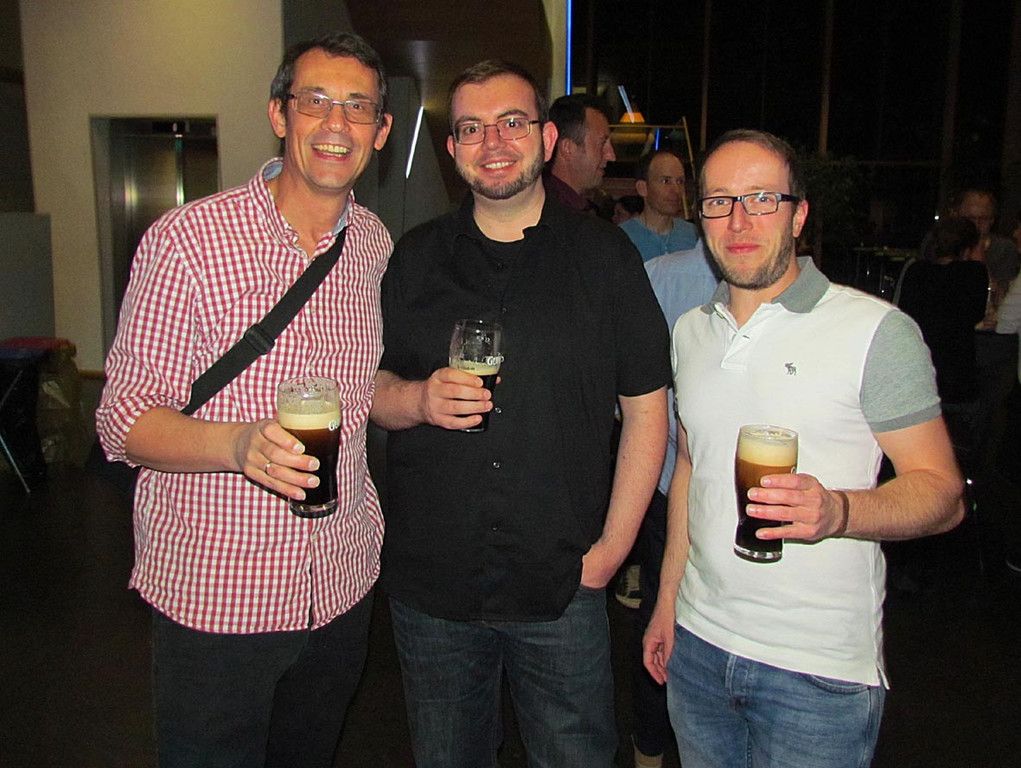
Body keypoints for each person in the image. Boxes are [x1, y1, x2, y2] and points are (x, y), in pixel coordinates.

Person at [95, 32, 393, 768]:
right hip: (219, 598)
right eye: (315, 100)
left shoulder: (373, 246)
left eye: (357, 107)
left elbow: (365, 392)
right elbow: (121, 419)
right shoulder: (187, 241)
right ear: (278, 114)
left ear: (381, 131)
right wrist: (236, 444)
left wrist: (416, 399)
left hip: (341, 585)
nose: (336, 123)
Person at [371, 60, 670, 768]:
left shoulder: (605, 258)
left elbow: (647, 410)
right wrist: (417, 399)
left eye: (512, 122)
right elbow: (369, 390)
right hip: (434, 586)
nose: (493, 142)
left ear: (545, 138)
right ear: (452, 149)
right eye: (472, 128)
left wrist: (611, 552)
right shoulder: (414, 258)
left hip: (562, 585)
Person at [642, 129, 965, 768]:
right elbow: (691, 468)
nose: (738, 221)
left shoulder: (875, 331)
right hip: (699, 648)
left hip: (815, 673)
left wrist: (839, 511)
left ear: (799, 215)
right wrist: (667, 601)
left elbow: (944, 495)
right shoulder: (690, 332)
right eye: (719, 201)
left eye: (762, 199)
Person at [629, 243, 718, 768]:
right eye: (720, 205)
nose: (738, 222)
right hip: (672, 490)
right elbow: (633, 393)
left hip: (743, 503)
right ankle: (650, 747)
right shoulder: (663, 278)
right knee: (662, 626)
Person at [898, 217, 987, 456]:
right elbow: (977, 313)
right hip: (958, 379)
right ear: (967, 248)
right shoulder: (974, 273)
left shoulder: (916, 271)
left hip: (919, 375)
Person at [620, 149, 699, 261]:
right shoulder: (622, 238)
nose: (676, 190)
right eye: (666, 181)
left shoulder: (694, 236)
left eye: (680, 182)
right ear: (642, 188)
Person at [544, 93, 616, 213]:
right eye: (602, 143)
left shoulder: (576, 207)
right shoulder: (550, 211)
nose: (611, 156)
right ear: (568, 148)